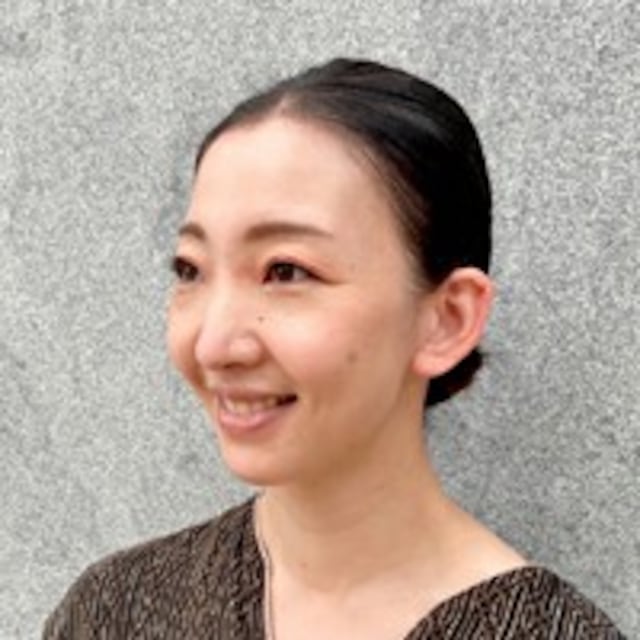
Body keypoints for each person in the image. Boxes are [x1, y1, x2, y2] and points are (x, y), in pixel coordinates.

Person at [43, 58, 625, 639]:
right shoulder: (113, 611)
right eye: (190, 270)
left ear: (447, 320)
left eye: (286, 270)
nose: (214, 345)